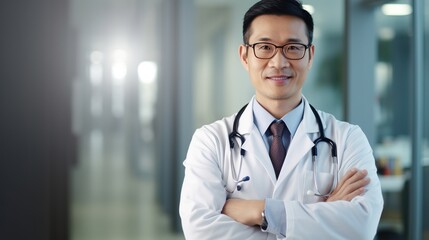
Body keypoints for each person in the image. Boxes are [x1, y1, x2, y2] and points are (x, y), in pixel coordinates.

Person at [179, 0, 384, 239]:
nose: (279, 62)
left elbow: (361, 227)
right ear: (245, 56)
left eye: (293, 48)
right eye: (265, 47)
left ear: (310, 55)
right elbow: (200, 231)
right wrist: (323, 214)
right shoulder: (211, 141)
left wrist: (263, 211)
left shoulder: (348, 139)